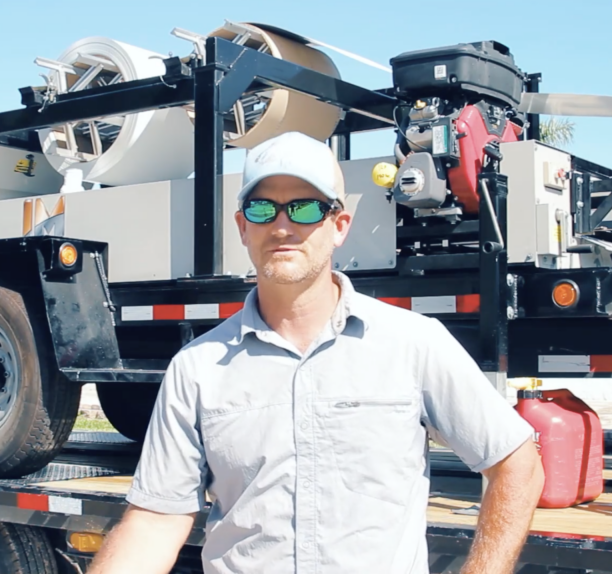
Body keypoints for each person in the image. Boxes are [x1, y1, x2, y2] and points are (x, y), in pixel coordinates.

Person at [87, 131, 545, 574]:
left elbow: (516, 463)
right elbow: (156, 519)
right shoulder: (198, 368)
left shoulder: (413, 342)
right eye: (263, 208)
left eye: (305, 208)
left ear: (339, 226)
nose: (282, 226)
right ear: (243, 227)